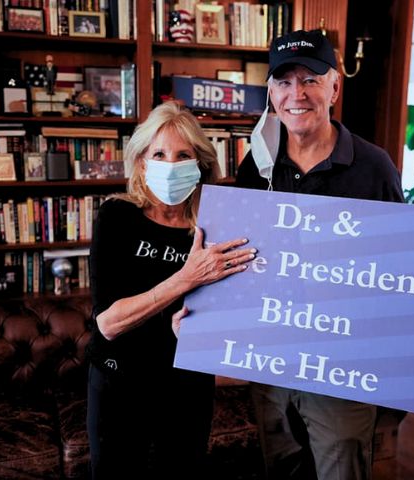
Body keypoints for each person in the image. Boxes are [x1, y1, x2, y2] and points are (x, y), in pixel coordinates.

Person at [233, 29, 414, 479]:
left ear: (334, 86)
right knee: (280, 466)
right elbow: (239, 257)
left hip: (342, 365)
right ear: (270, 93)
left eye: (310, 79)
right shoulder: (255, 167)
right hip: (270, 359)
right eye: (283, 81)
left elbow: (403, 262)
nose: (296, 94)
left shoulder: (374, 166)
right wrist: (198, 307)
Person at [86, 101, 257, 479]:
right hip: (120, 383)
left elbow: (236, 310)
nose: (170, 163)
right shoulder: (116, 216)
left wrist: (202, 332)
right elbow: (109, 324)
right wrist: (187, 277)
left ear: (201, 164)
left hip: (187, 386)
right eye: (159, 153)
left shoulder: (217, 223)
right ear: (142, 161)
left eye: (183, 155)